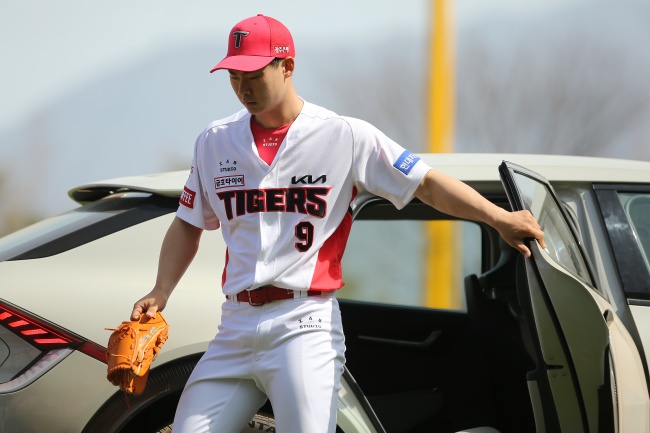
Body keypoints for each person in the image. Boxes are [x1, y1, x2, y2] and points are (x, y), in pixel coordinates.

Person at [130, 14, 546, 433]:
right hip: (235, 324)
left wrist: (498, 218)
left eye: (254, 73)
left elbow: (426, 184)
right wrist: (161, 290)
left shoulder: (344, 135)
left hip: (304, 323)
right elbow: (188, 222)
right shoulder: (214, 140)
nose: (243, 87)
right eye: (235, 74)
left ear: (287, 66)